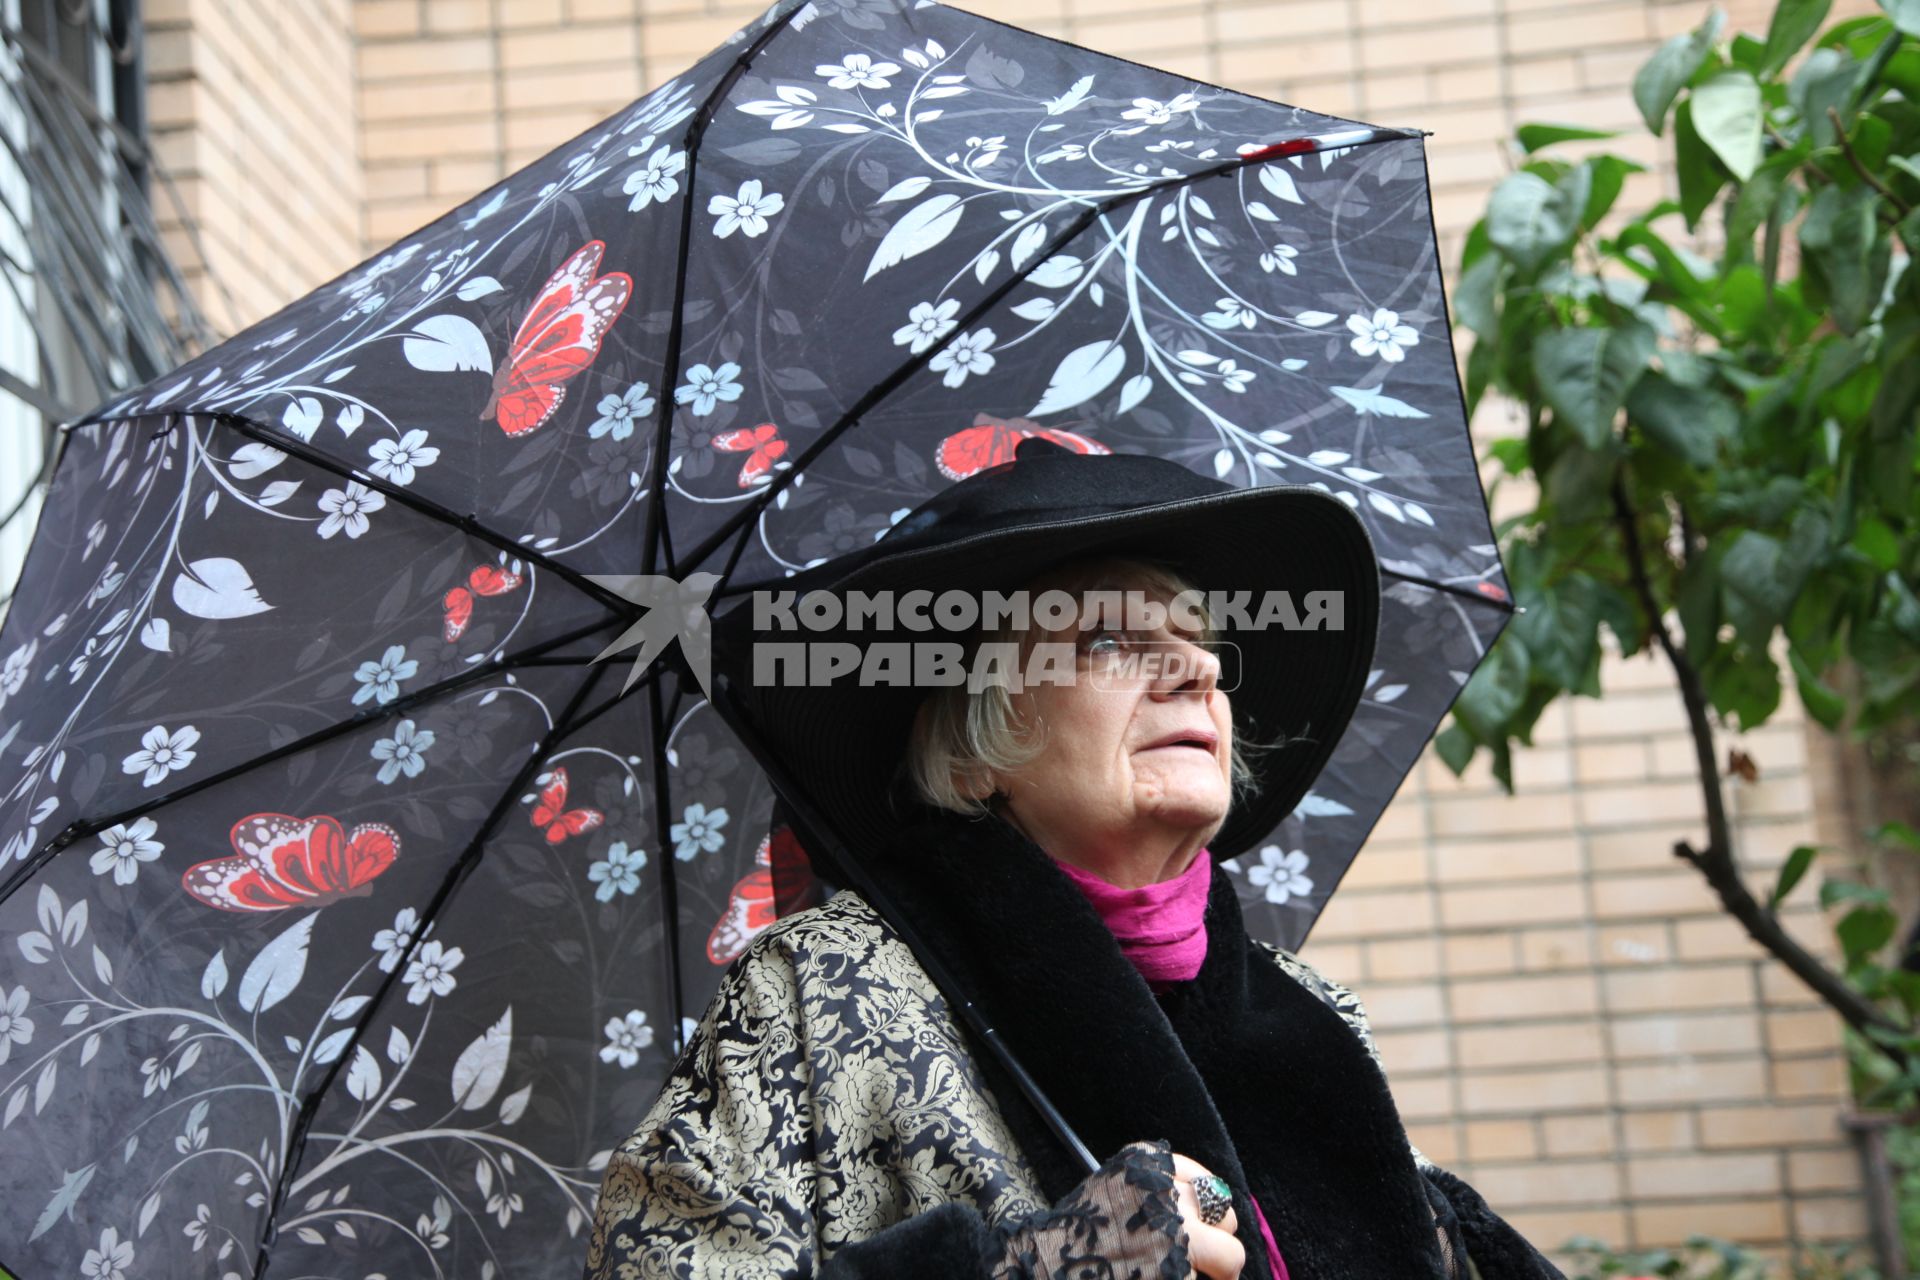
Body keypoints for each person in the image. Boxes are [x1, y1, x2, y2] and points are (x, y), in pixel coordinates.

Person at [584, 437, 1564, 1280]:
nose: (1198, 668)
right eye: (1108, 639)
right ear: (973, 752)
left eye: (1201, 641)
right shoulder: (822, 989)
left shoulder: (1308, 1010)